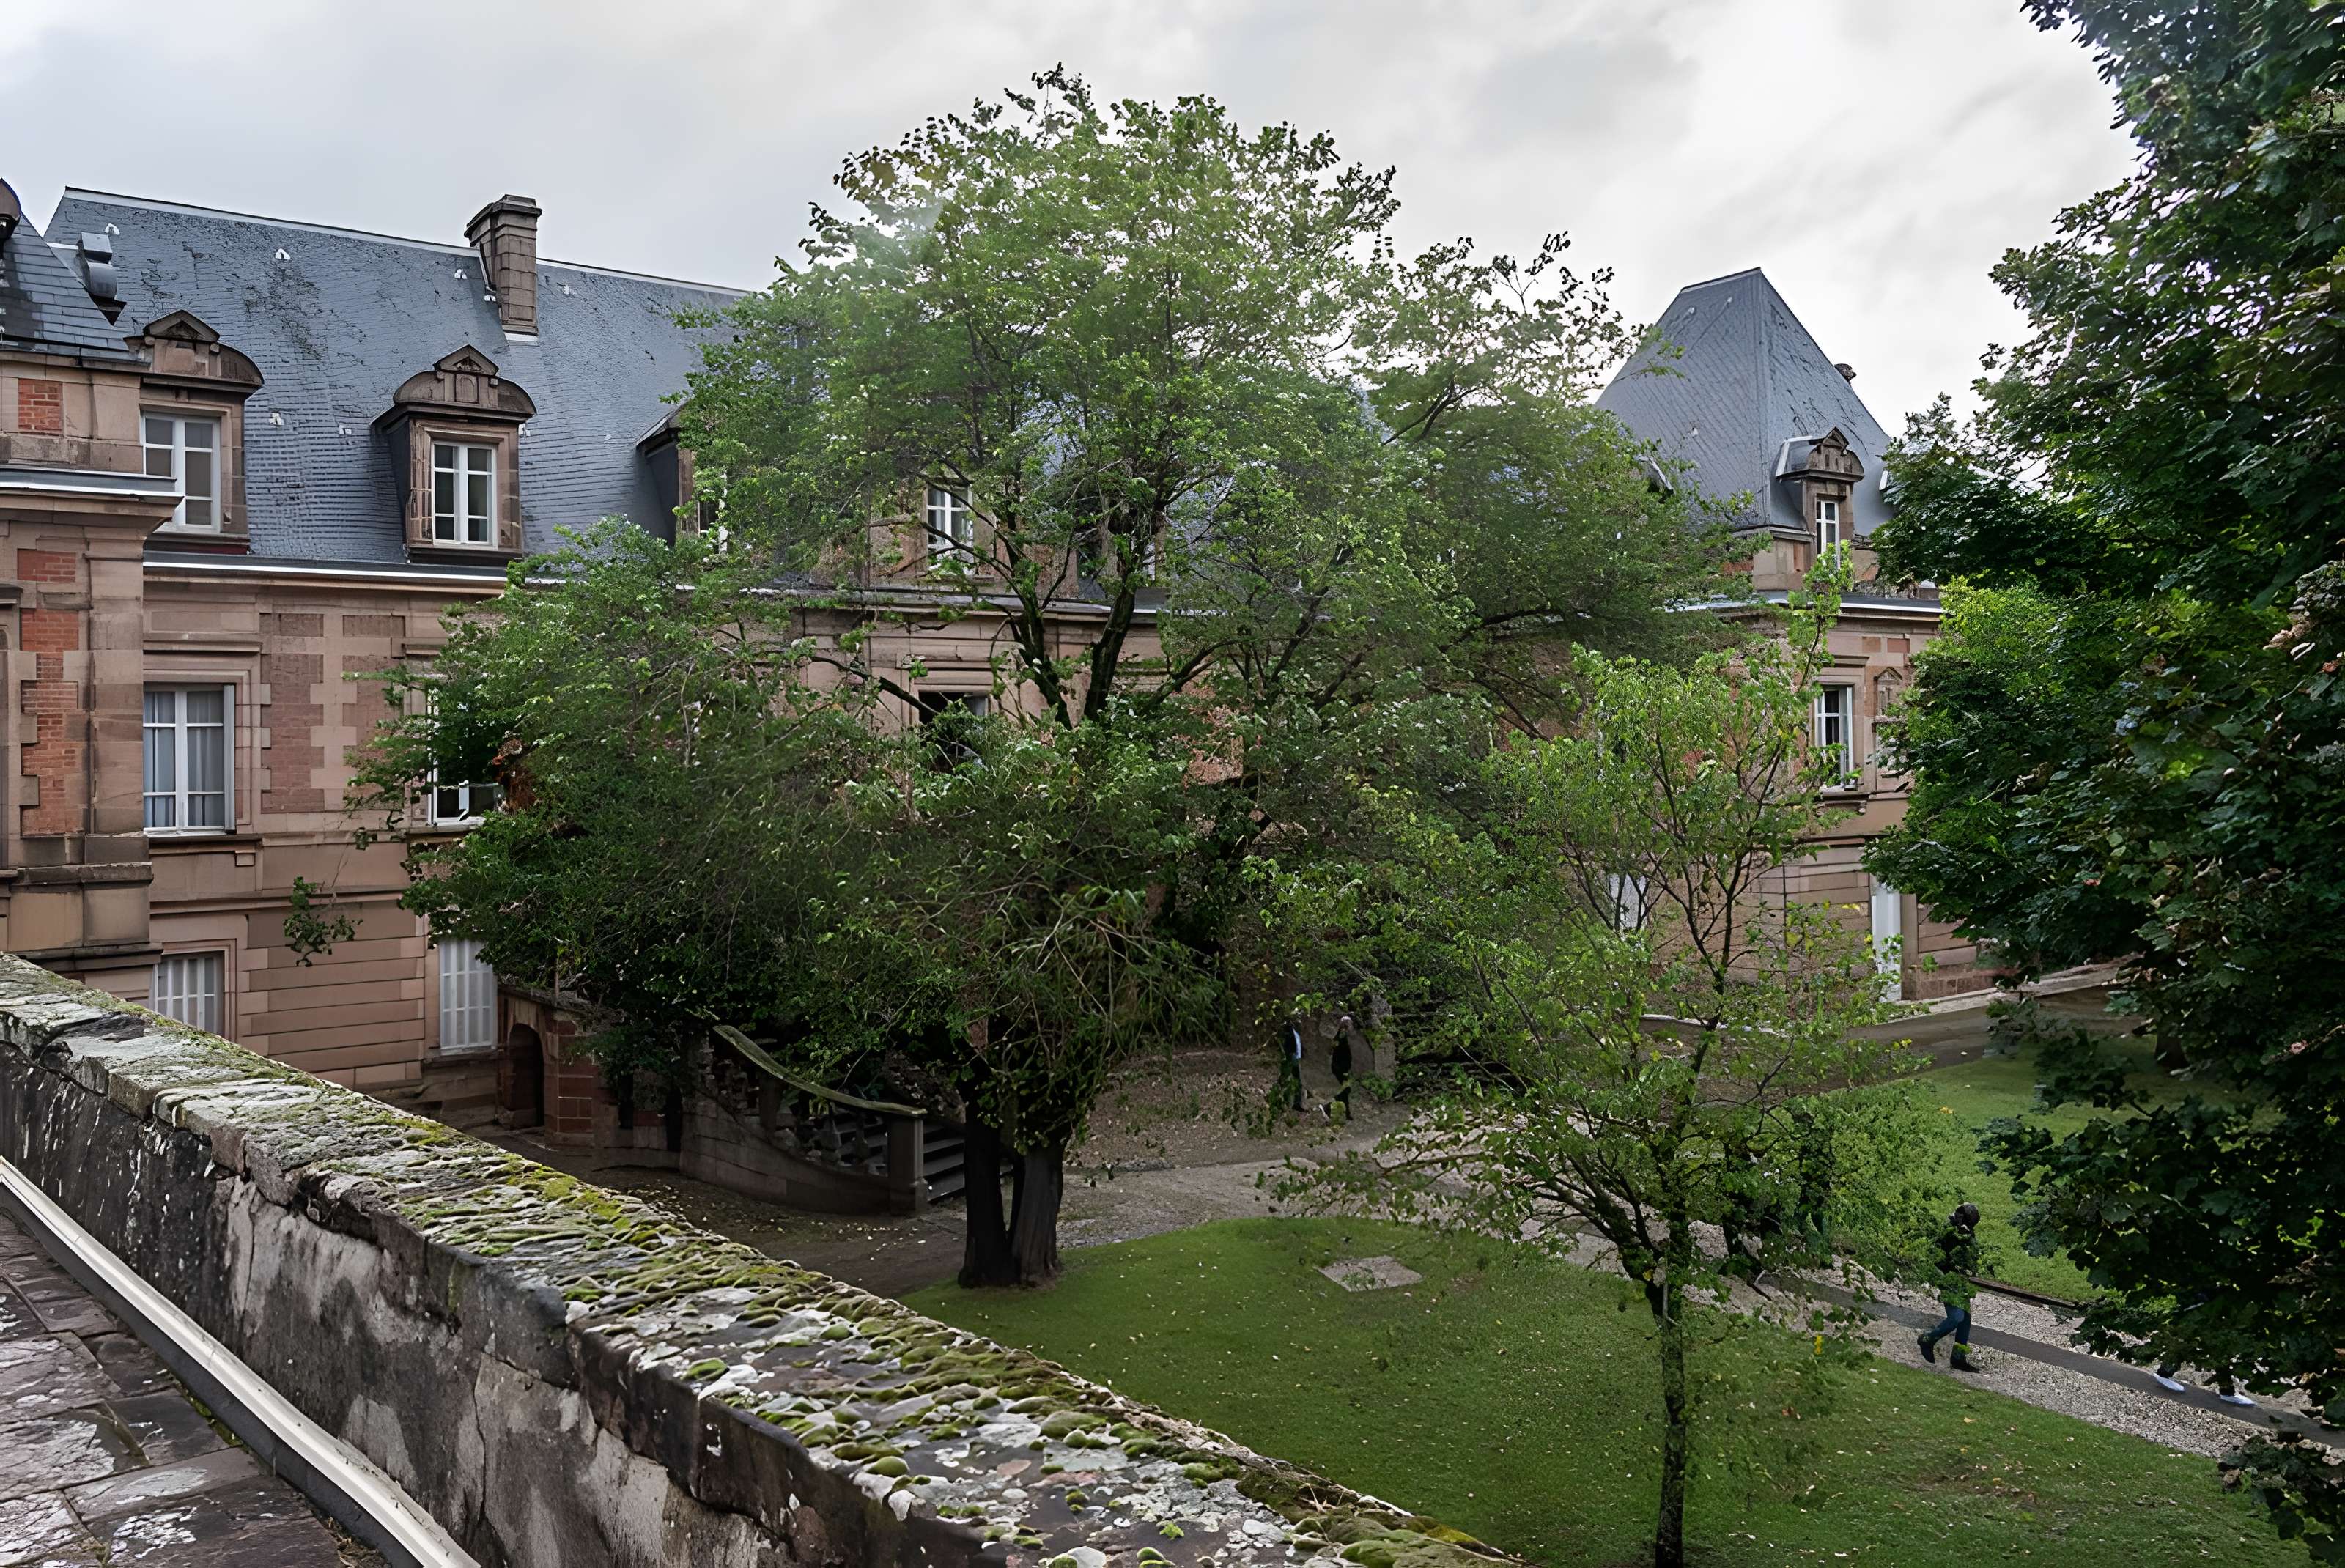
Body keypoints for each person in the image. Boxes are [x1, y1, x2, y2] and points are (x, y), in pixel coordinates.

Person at [2151, 1290, 2256, 1406]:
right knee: (2196, 1343)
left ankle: (2227, 1392)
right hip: (2208, 1306)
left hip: (2216, 1307)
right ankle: (2164, 1373)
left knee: (2216, 1349)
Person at [1917, 1202, 1984, 1372]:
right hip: (1949, 1279)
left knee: (1965, 1319)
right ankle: (1927, 1340)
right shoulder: (1949, 1232)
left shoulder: (1964, 1232)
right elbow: (1938, 1256)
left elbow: (1972, 1253)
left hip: (1959, 1280)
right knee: (1956, 1317)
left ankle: (1958, 1358)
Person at [1327, 1014, 1356, 1122]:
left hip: (1344, 1065)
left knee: (1344, 1091)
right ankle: (1331, 1114)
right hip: (1337, 1065)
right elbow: (1333, 1048)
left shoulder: (1347, 1036)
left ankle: (1347, 1113)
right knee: (1334, 1088)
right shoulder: (1338, 1035)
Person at [1277, 1018, 1307, 1114]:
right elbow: (1288, 1045)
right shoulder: (1288, 1031)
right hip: (1292, 1057)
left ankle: (1296, 1103)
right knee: (1293, 1080)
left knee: (1298, 1081)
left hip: (1297, 1057)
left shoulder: (1295, 1032)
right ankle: (1290, 1103)